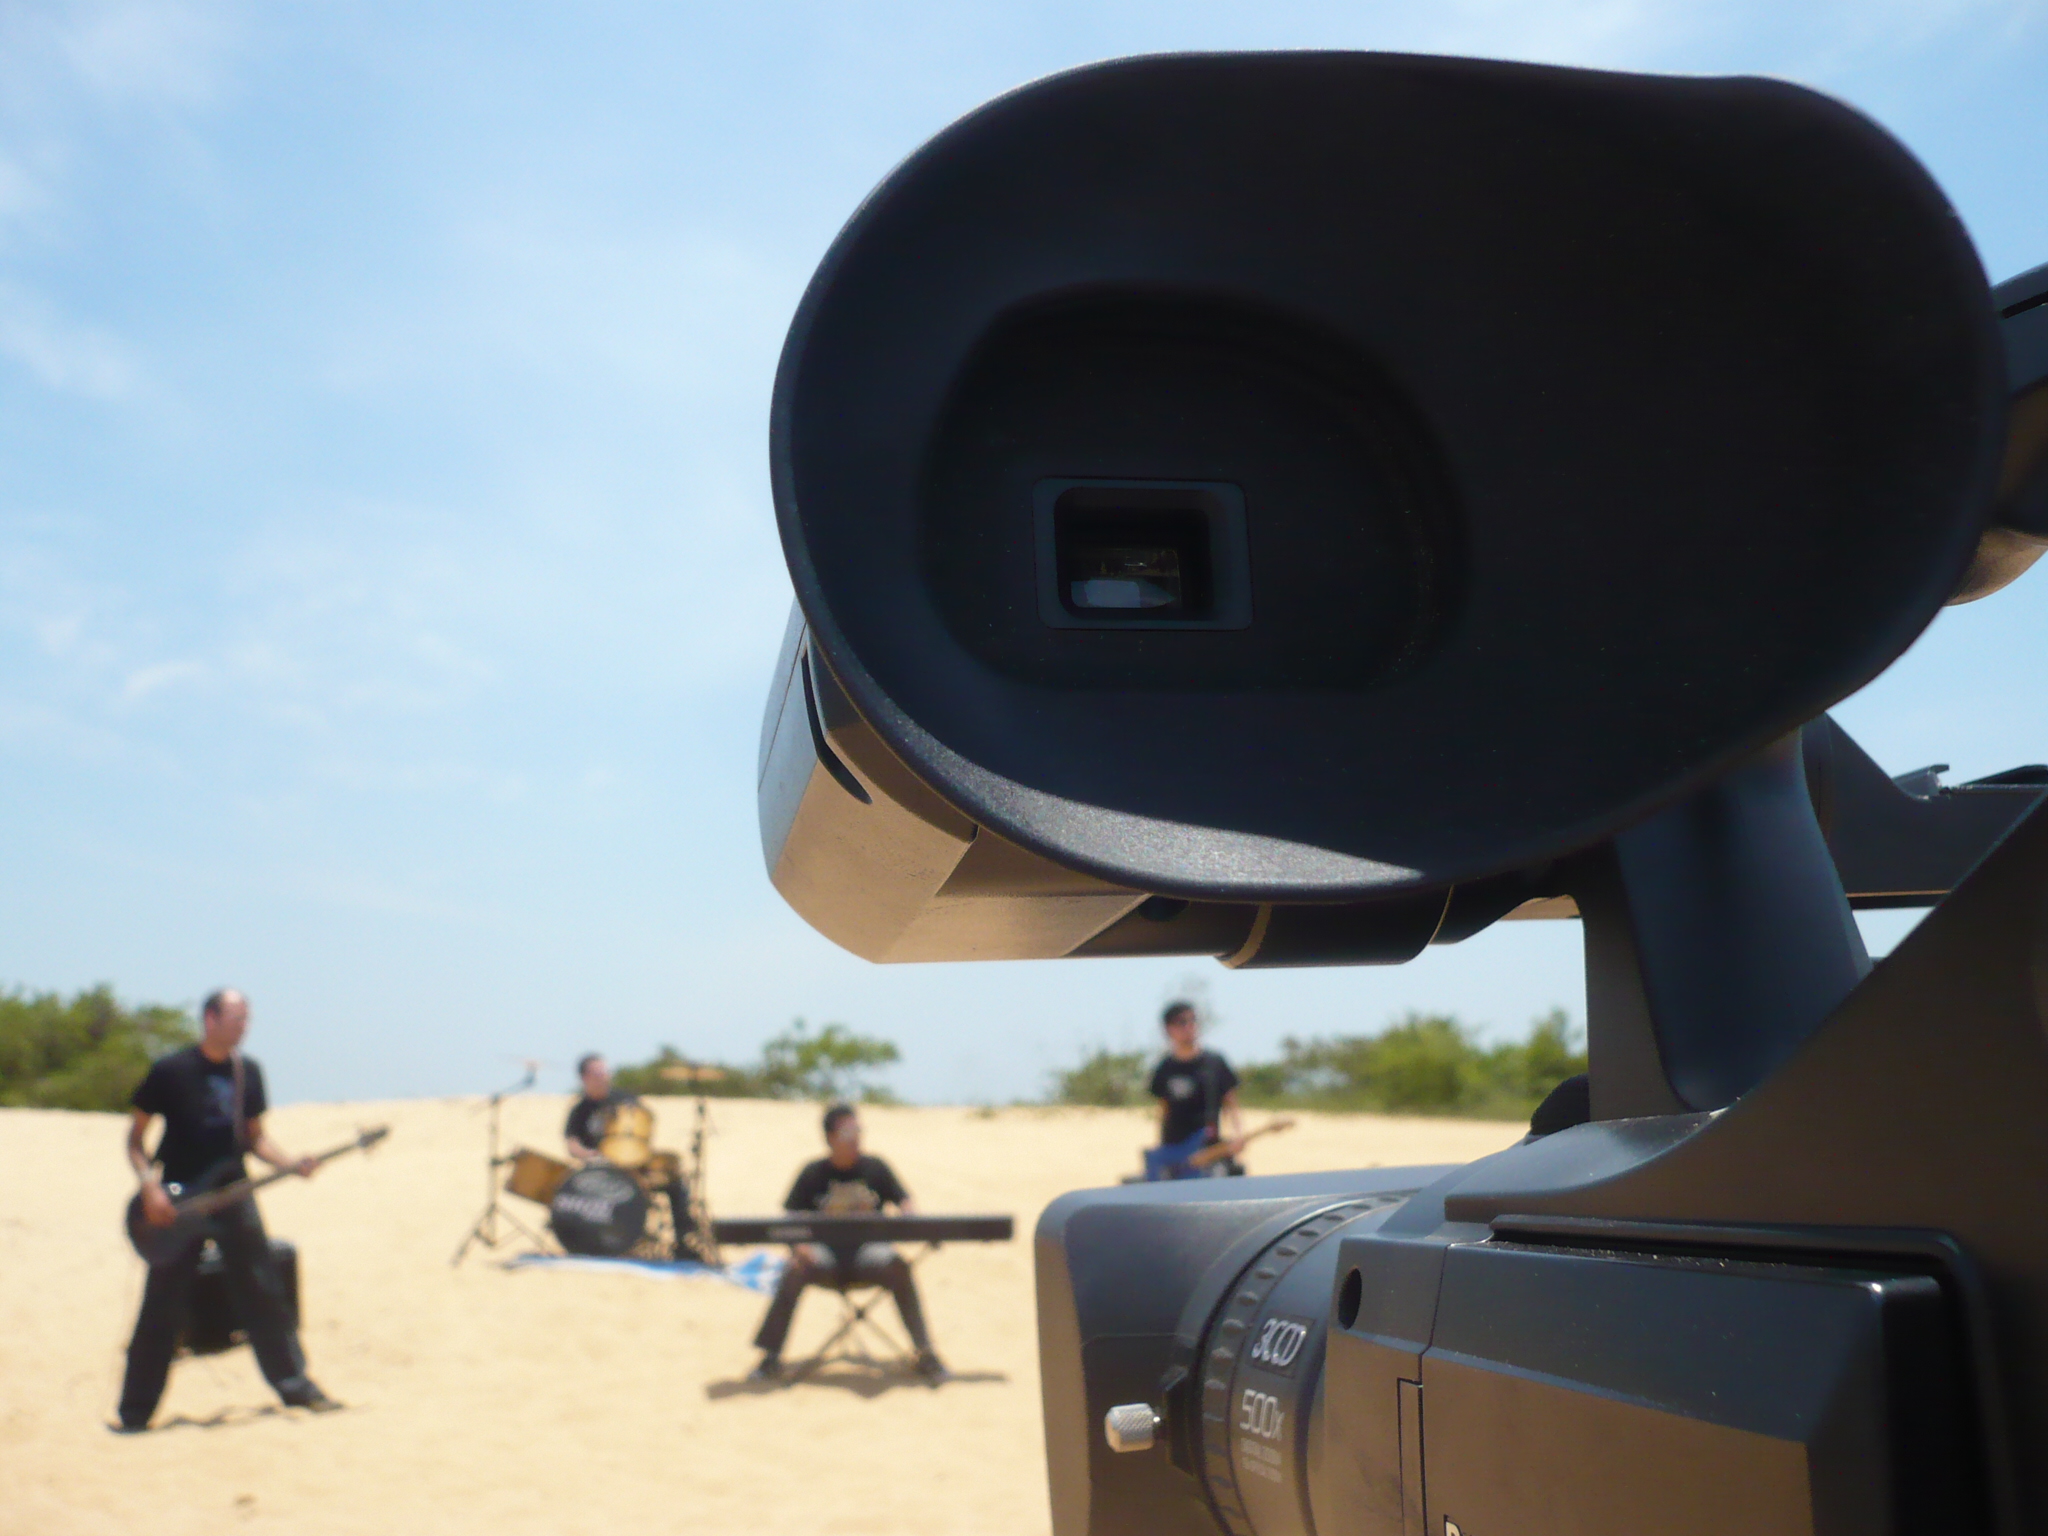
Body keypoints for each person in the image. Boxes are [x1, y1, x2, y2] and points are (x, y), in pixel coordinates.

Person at [117, 989, 336, 1432]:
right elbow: (135, 1141)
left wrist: (290, 1162)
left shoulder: (247, 1072)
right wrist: (150, 1189)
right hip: (180, 1201)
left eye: (247, 1019)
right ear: (210, 1019)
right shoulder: (170, 1070)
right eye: (236, 1018)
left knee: (264, 1292)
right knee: (163, 1303)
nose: (244, 1027)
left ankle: (296, 1386)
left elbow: (255, 1137)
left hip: (235, 1194)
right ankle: (135, 1411)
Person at [749, 1103, 944, 1383]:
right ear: (830, 1138)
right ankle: (769, 1358)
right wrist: (798, 1248)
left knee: (898, 1266)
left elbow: (904, 1199)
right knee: (792, 1270)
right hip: (825, 1258)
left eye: (858, 1130)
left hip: (869, 1255)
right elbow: (789, 1219)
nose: (855, 1138)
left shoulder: (876, 1168)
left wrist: (909, 1214)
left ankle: (925, 1352)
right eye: (847, 1132)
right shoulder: (812, 1173)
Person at [564, 1053, 699, 1260]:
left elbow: (643, 1132)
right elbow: (572, 1144)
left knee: (674, 1182)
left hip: (634, 1166)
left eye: (604, 1072)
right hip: (599, 1170)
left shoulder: (626, 1100)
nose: (603, 1077)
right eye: (597, 1073)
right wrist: (589, 1154)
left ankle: (683, 1240)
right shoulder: (580, 1110)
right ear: (584, 1078)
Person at [1146, 1000, 1247, 1180]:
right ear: (1169, 1029)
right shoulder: (1165, 1068)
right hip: (1175, 1150)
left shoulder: (1214, 1063)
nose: (1189, 1026)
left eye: (1193, 1020)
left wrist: (1238, 1136)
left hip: (1209, 1149)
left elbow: (1231, 1102)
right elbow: (1163, 1109)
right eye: (1182, 1022)